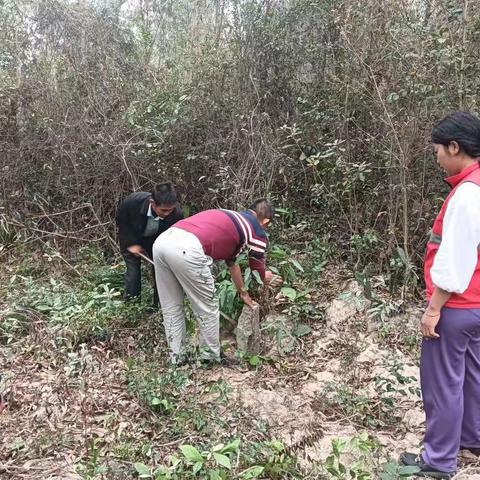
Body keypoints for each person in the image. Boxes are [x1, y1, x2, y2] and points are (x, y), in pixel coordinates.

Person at [400, 112, 480, 478]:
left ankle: (438, 461)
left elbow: (455, 259)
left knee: (443, 383)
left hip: (458, 305)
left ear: (454, 147)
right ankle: (471, 439)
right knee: (471, 375)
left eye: (437, 151)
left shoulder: (467, 194)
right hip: (477, 305)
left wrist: (433, 310)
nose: (436, 158)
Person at [152, 199, 278, 365]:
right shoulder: (255, 229)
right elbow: (256, 266)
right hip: (187, 248)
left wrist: (243, 293)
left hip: (162, 242)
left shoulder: (232, 219)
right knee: (208, 307)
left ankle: (177, 358)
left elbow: (233, 264)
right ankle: (210, 358)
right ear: (266, 221)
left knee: (171, 307)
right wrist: (265, 276)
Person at [116, 183, 183, 307]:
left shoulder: (177, 214)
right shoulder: (133, 202)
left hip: (156, 241)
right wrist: (131, 244)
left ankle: (158, 306)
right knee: (133, 271)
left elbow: (175, 236)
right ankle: (132, 305)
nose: (168, 213)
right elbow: (122, 221)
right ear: (152, 202)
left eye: (170, 210)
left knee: (161, 271)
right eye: (163, 210)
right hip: (132, 237)